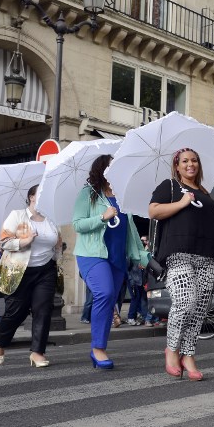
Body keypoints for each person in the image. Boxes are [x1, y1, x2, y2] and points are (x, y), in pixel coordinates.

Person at [149, 147, 214, 380]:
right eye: (185, 161)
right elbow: (154, 211)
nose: (190, 164)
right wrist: (182, 203)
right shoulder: (170, 186)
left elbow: (213, 226)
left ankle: (188, 354)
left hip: (206, 254)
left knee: (200, 308)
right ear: (177, 166)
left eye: (194, 160)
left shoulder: (206, 193)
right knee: (186, 301)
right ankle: (172, 349)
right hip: (179, 253)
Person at [73, 154, 149, 370]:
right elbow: (77, 224)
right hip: (92, 255)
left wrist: (144, 258)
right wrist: (101, 217)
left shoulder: (122, 197)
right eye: (110, 168)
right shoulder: (89, 194)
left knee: (109, 304)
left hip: (117, 258)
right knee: (104, 294)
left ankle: (99, 347)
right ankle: (98, 348)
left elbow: (131, 233)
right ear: (102, 170)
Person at [0, 185, 62, 367]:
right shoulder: (18, 215)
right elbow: (3, 241)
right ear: (31, 197)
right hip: (19, 271)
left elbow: (58, 243)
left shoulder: (52, 219)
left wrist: (57, 258)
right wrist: (26, 241)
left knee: (43, 310)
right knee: (16, 312)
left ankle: (38, 353)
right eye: (40, 194)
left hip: (45, 270)